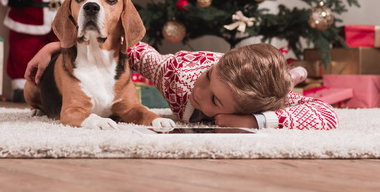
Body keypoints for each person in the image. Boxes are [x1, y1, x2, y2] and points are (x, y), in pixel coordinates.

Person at [25, 41, 339, 130]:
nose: (198, 93)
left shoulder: (261, 102)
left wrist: (253, 120)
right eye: (207, 80)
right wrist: (57, 47)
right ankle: (290, 72)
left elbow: (326, 115)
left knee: (285, 85)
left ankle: (291, 74)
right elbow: (134, 50)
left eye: (214, 101)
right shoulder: (178, 76)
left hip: (262, 91)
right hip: (192, 60)